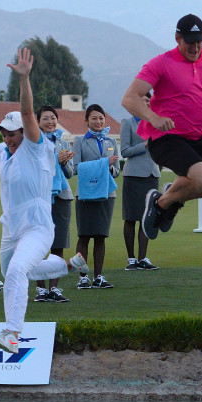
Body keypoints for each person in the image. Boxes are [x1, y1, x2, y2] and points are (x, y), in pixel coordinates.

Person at [0, 48, 88, 353]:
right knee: (13, 269)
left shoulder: (35, 147)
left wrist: (24, 79)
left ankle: (12, 332)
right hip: (11, 229)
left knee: (16, 272)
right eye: (4, 133)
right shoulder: (4, 151)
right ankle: (69, 264)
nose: (8, 137)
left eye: (12, 133)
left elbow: (27, 113)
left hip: (37, 228)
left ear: (26, 132)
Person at [120, 14, 202, 240]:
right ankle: (162, 203)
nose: (195, 46)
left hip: (198, 139)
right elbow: (129, 98)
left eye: (199, 41)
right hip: (165, 138)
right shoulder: (160, 63)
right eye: (190, 41)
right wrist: (153, 118)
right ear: (177, 38)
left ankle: (170, 198)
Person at [72, 104, 120, 290]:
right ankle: (83, 277)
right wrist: (102, 163)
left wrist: (108, 167)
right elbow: (76, 168)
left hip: (106, 194)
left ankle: (98, 277)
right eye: (94, 118)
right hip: (85, 194)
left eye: (101, 118)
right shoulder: (80, 141)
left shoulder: (111, 142)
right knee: (84, 237)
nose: (98, 122)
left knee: (100, 237)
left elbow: (116, 172)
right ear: (86, 121)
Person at [33, 105, 75, 304]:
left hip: (62, 197)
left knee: (58, 244)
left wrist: (64, 163)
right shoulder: (33, 143)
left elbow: (69, 174)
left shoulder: (64, 142)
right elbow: (34, 168)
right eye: (45, 119)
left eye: (53, 118)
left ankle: (54, 289)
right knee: (40, 244)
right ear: (38, 121)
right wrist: (54, 160)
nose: (50, 122)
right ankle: (40, 289)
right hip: (41, 197)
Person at [120, 95, 161, 271]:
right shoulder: (128, 123)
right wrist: (144, 144)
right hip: (133, 176)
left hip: (152, 174)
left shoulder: (155, 122)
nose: (146, 104)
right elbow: (124, 151)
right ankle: (131, 259)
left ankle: (143, 258)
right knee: (131, 218)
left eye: (148, 101)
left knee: (147, 217)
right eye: (143, 101)